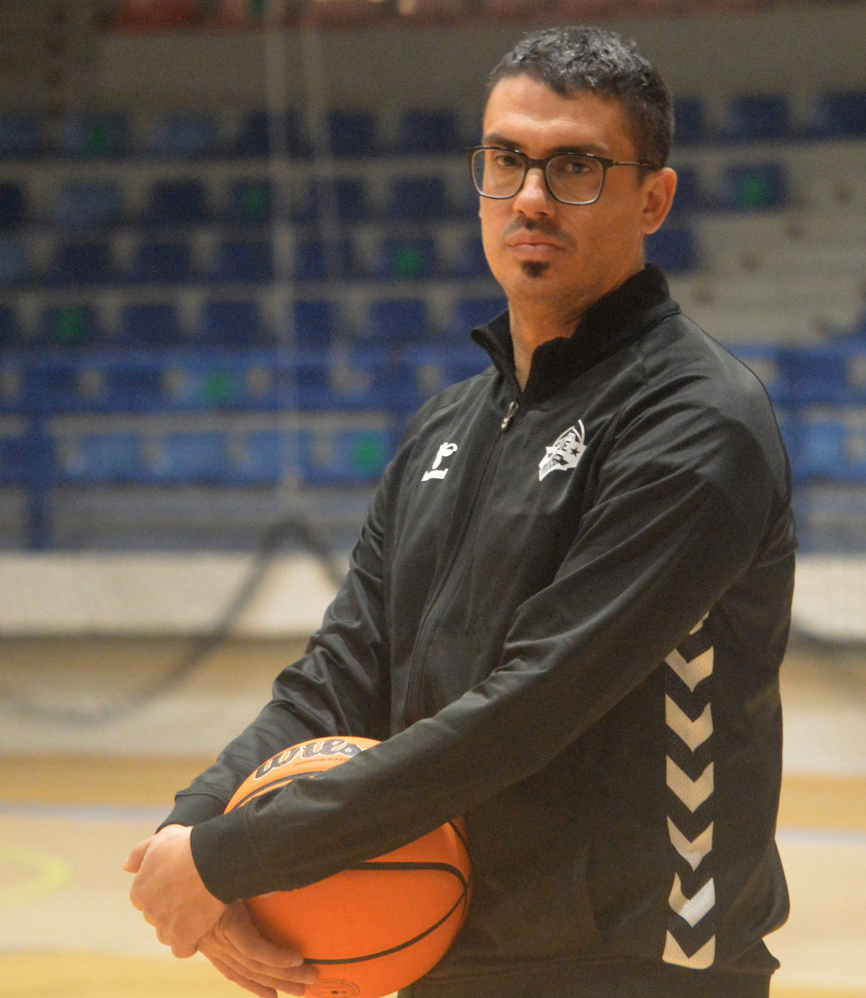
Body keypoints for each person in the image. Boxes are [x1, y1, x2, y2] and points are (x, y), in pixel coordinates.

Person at [125, 25, 795, 998]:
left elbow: (529, 710)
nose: (529, 195)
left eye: (575, 165)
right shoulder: (447, 426)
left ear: (653, 196)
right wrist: (190, 827)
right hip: (452, 951)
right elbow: (339, 675)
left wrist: (237, 856)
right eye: (505, 161)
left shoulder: (696, 420)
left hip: (639, 958)